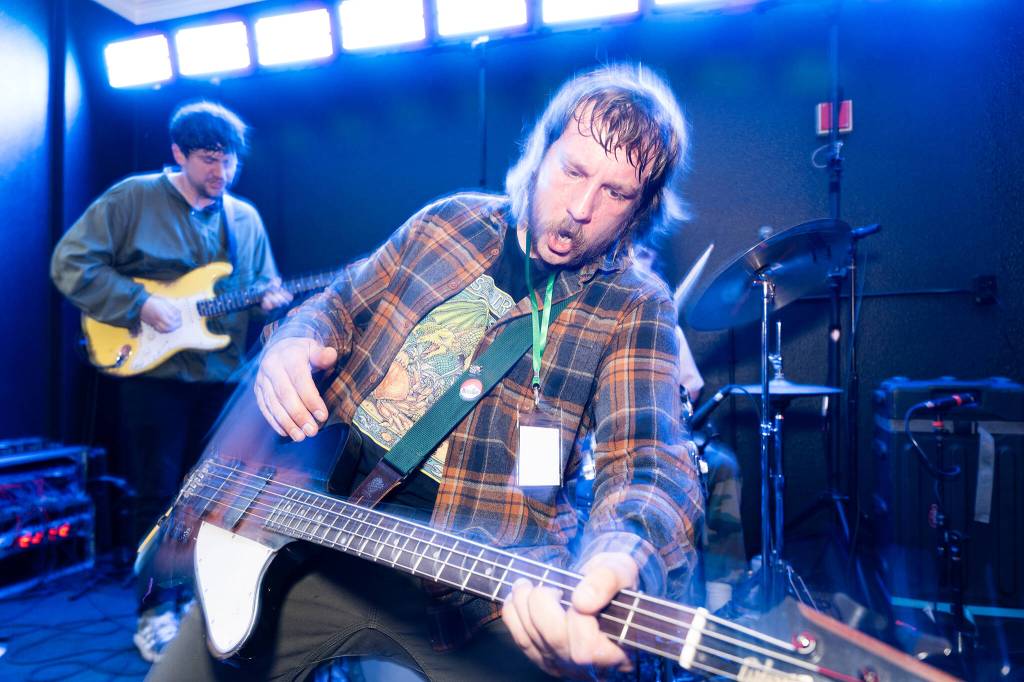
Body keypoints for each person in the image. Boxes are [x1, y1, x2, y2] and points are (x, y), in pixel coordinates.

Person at [149, 64, 702, 681]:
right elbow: (339, 305)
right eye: (573, 170)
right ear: (540, 153)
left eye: (616, 193)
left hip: (473, 591)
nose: (580, 208)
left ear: (640, 210)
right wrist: (295, 340)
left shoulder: (635, 304)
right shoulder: (449, 221)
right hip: (318, 532)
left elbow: (650, 462)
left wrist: (621, 561)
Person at [50, 101, 293, 662]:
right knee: (156, 495)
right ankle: (154, 612)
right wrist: (138, 302)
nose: (221, 171)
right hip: (154, 373)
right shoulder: (133, 198)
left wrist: (272, 301)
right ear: (178, 153)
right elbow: (71, 262)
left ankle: (199, 606)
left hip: (221, 377)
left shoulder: (244, 219)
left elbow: (262, 286)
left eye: (229, 160)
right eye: (208, 159)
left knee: (214, 497)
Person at [633, 245, 746, 614]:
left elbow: (691, 387)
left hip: (662, 436)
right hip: (603, 441)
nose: (644, 272)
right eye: (636, 262)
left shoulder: (665, 322)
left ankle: (719, 602)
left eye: (650, 265)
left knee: (721, 464)